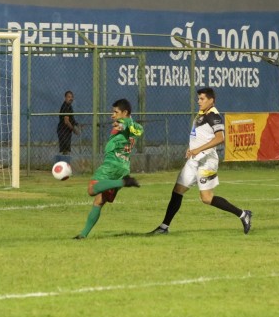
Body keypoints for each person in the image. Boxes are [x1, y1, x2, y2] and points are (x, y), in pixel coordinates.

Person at [149, 87, 252, 235]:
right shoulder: (202, 114)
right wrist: (192, 149)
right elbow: (199, 135)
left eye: (202, 99)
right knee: (177, 191)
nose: (199, 101)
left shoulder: (213, 116)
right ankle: (164, 227)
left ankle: (243, 214)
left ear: (211, 100)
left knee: (206, 198)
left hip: (207, 161)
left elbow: (220, 138)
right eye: (198, 99)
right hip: (194, 159)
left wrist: (198, 150)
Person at [74, 98, 143, 239]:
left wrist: (123, 124)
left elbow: (136, 128)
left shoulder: (126, 123)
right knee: (99, 200)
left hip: (112, 165)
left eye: (116, 112)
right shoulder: (130, 125)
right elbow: (135, 129)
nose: (113, 115)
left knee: (92, 189)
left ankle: (124, 182)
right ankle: (82, 235)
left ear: (125, 112)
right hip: (123, 168)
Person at [57, 90, 80, 155]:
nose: (71, 98)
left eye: (72, 97)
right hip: (63, 131)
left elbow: (71, 119)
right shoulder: (65, 106)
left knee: (66, 150)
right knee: (65, 150)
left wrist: (76, 124)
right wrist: (74, 129)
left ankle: (65, 163)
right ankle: (64, 163)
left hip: (67, 131)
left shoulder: (69, 106)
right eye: (69, 97)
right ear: (65, 98)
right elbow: (66, 121)